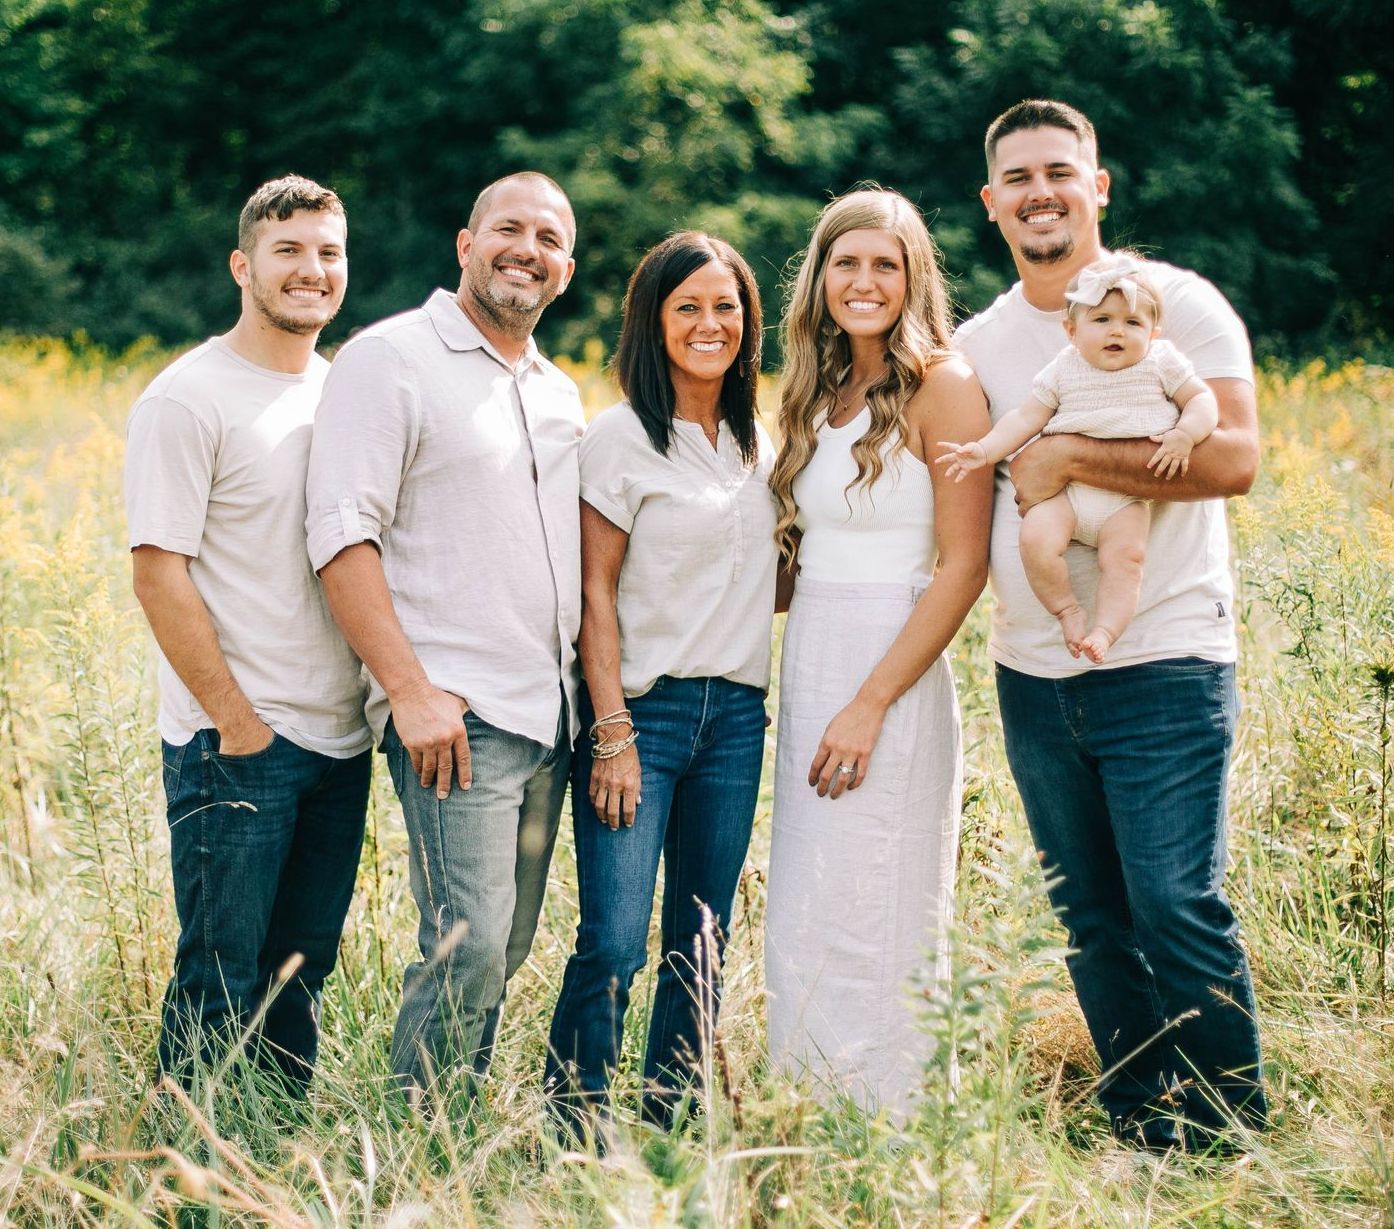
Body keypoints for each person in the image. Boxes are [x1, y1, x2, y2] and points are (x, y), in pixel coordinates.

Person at [955, 98, 1267, 1152]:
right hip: (1031, 668)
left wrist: (1069, 460)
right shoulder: (980, 339)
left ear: (1097, 186)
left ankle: (1227, 1134)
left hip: (1165, 655)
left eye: (1060, 170)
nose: (1038, 191)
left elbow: (1230, 458)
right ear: (991, 201)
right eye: (1018, 176)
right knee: (1090, 918)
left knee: (1173, 900)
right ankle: (1143, 1119)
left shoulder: (1180, 305)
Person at [305, 172, 582, 1106]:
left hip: (550, 719)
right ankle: (416, 1151)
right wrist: (411, 692)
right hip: (456, 717)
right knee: (464, 944)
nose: (526, 249)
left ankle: (451, 1129)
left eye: (547, 239)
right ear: (464, 244)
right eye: (508, 228)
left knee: (502, 945)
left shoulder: (558, 393)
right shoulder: (390, 359)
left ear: (566, 270)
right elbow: (342, 534)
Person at [125, 175, 370, 1094]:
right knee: (216, 979)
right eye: (289, 251)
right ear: (243, 265)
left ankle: (270, 1161)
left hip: (339, 742)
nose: (312, 271)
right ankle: (190, 1172)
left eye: (328, 252)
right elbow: (158, 572)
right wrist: (235, 720)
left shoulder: (344, 390)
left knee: (299, 976)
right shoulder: (189, 399)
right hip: (236, 744)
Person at [764, 188, 993, 1118]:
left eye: (884, 265)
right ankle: (806, 1107)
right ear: (819, 279)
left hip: (889, 665)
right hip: (812, 649)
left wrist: (868, 703)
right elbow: (793, 555)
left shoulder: (946, 384)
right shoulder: (813, 390)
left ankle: (893, 1122)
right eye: (845, 263)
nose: (863, 282)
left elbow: (964, 564)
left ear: (912, 278)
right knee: (810, 898)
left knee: (883, 895)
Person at [543, 233, 777, 1136]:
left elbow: (768, 573)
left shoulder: (760, 440)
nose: (709, 324)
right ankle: (577, 1127)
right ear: (654, 319)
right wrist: (611, 730)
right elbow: (593, 592)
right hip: (644, 709)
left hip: (738, 718)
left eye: (726, 307)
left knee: (702, 942)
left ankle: (671, 1124)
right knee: (613, 938)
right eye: (688, 307)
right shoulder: (620, 438)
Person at [939, 253, 1218, 662]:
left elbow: (1201, 399)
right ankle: (1067, 609)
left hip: (1125, 499)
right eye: (1102, 320)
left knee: (1126, 560)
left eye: (1133, 322)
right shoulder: (1063, 369)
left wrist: (1184, 435)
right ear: (1072, 330)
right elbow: (1026, 418)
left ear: (1154, 333)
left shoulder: (1161, 363)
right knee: (1035, 539)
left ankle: (1104, 631)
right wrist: (984, 449)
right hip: (1066, 494)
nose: (1117, 332)